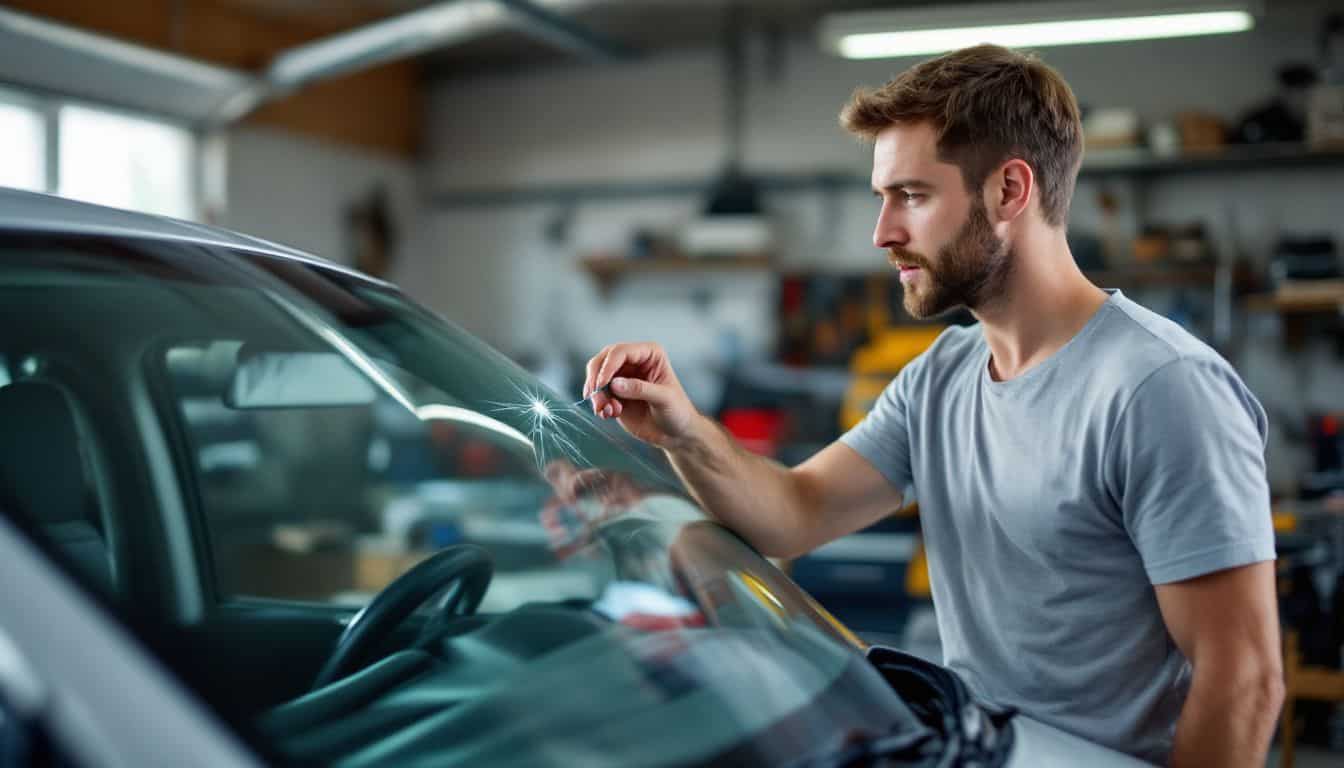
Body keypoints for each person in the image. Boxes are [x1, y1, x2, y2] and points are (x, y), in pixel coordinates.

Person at [580, 44, 1281, 767]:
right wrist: (683, 431)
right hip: (975, 747)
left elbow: (1245, 678)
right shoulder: (942, 373)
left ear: (1010, 191)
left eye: (911, 196)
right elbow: (795, 513)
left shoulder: (1159, 388)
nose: (882, 232)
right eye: (882, 197)